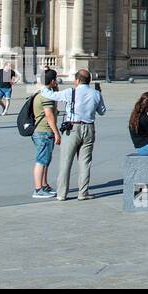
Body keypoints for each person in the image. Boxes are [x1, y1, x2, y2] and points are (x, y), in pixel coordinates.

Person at [56, 69, 105, 200]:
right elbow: (102, 111)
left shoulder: (70, 92)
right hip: (89, 128)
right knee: (85, 162)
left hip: (72, 127)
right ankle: (83, 192)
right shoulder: (96, 93)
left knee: (66, 161)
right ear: (89, 81)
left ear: (77, 80)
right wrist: (98, 95)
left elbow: (52, 95)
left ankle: (61, 194)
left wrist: (42, 87)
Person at [30, 68, 62, 200]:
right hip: (44, 131)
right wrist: (56, 133)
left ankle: (44, 185)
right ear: (53, 81)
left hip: (41, 130)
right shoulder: (46, 95)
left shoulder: (42, 92)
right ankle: (38, 189)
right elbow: (49, 115)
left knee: (45, 160)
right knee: (41, 160)